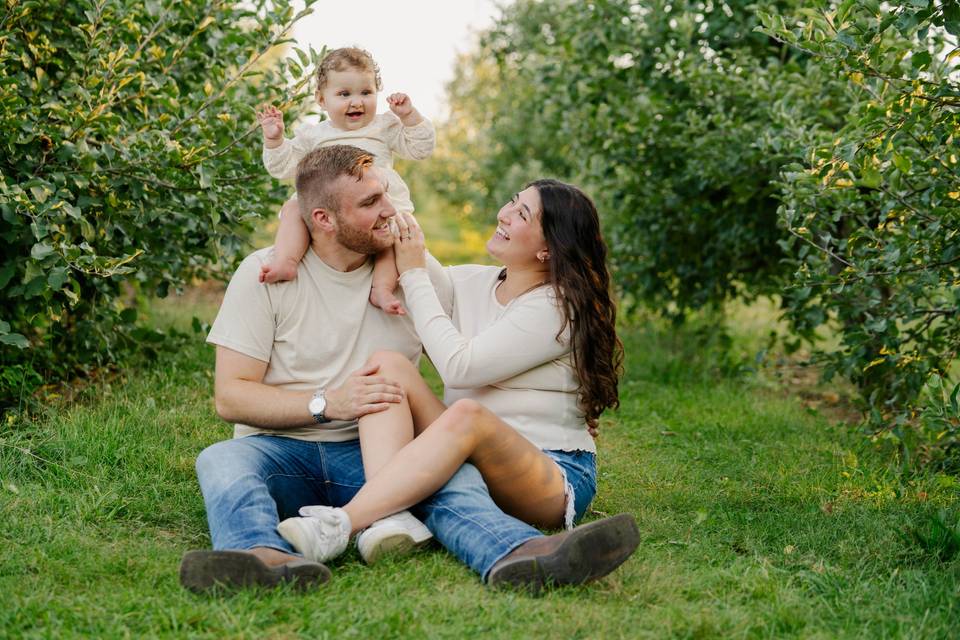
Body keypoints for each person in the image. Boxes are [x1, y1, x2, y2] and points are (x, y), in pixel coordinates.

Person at [179, 145, 636, 593]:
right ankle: (261, 557)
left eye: (386, 195)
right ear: (321, 219)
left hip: (376, 450)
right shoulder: (266, 274)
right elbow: (231, 397)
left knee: (449, 470)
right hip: (281, 450)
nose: (390, 210)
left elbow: (470, 335)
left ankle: (515, 552)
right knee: (221, 458)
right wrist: (327, 404)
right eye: (370, 202)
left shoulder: (412, 282)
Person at [256, 46, 434, 315]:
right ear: (321, 100)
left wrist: (409, 117)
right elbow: (282, 167)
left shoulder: (383, 127)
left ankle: (382, 288)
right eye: (344, 94)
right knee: (294, 209)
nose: (356, 102)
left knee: (391, 239)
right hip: (328, 201)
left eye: (366, 92)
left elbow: (420, 149)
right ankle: (286, 260)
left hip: (377, 198)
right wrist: (274, 140)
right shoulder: (313, 136)